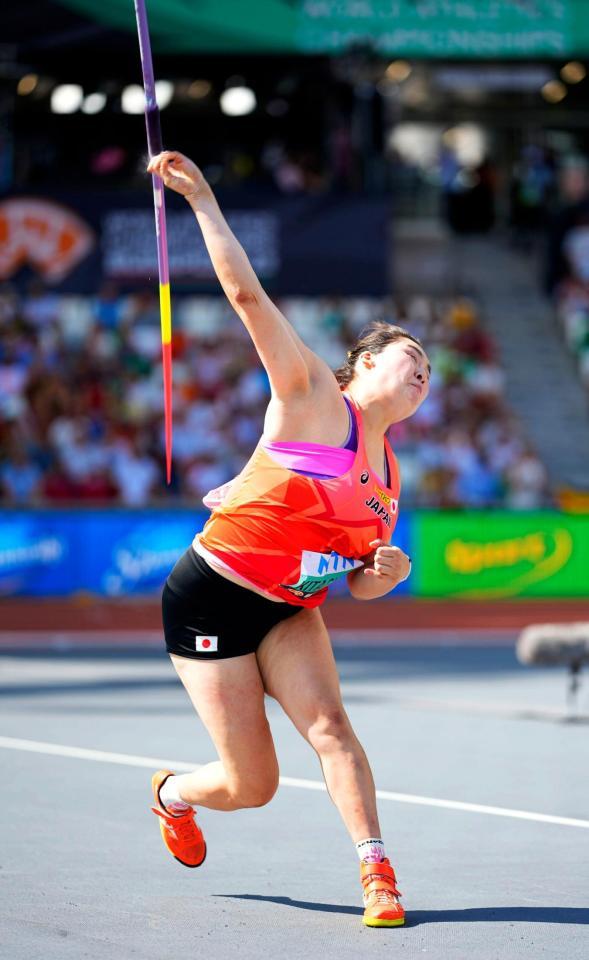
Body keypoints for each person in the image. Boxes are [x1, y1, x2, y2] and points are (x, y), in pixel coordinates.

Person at [146, 151, 431, 929]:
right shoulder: (309, 397)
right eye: (412, 358)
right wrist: (201, 196)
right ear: (365, 363)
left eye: (431, 372)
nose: (424, 373)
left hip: (289, 609)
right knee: (251, 786)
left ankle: (377, 872)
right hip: (211, 599)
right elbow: (244, 294)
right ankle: (171, 794)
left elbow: (362, 583)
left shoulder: (390, 475)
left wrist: (386, 569)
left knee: (332, 729)